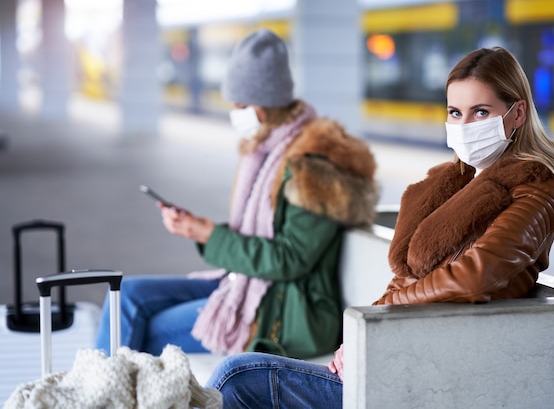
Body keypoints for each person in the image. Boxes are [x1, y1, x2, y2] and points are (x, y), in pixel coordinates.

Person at [205, 46, 554, 408]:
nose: (463, 126)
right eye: (454, 112)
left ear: (517, 114)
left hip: (447, 370)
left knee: (237, 376)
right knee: (234, 374)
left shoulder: (537, 188)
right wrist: (359, 337)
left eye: (480, 112)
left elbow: (474, 277)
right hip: (403, 350)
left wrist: (379, 319)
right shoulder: (453, 183)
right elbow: (406, 276)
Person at [94, 28, 379, 358]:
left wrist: (209, 234)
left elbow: (289, 259)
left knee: (145, 328)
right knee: (128, 294)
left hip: (283, 309)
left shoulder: (312, 167)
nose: (234, 111)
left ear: (262, 105)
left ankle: (101, 395)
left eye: (239, 104)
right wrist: (201, 230)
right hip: (248, 283)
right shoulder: (268, 150)